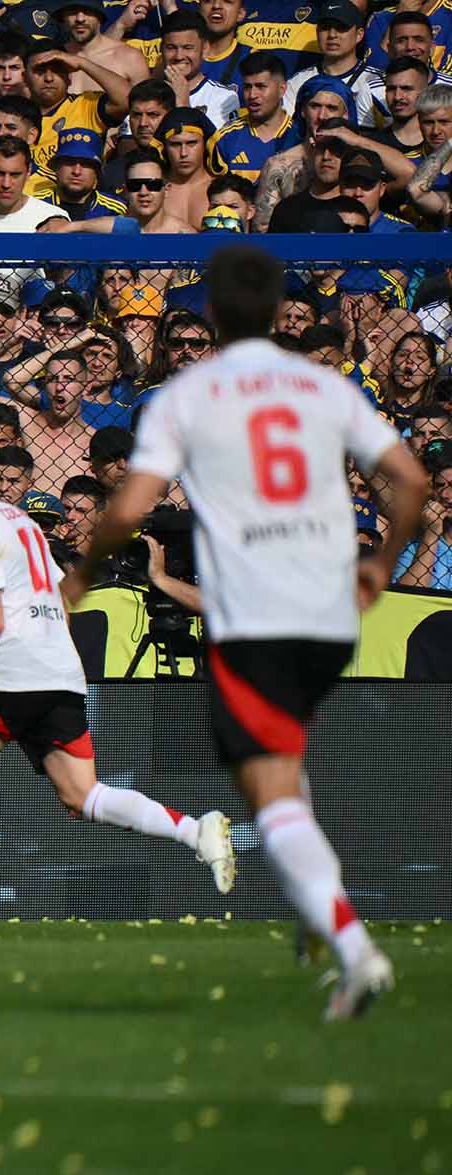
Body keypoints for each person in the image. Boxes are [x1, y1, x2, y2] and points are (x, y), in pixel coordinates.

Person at [63, 246, 429, 1022]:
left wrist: (80, 575)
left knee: (267, 792)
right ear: (276, 312)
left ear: (213, 317)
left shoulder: (188, 396)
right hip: (332, 610)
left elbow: (127, 511)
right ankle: (313, 907)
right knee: (285, 768)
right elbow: (415, 479)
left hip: (255, 616)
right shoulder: (325, 386)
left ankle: (357, 951)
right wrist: (384, 563)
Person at [0, 433, 237, 924]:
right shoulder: (21, 521)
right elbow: (61, 599)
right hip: (59, 670)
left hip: (13, 673)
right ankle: (195, 831)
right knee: (83, 795)